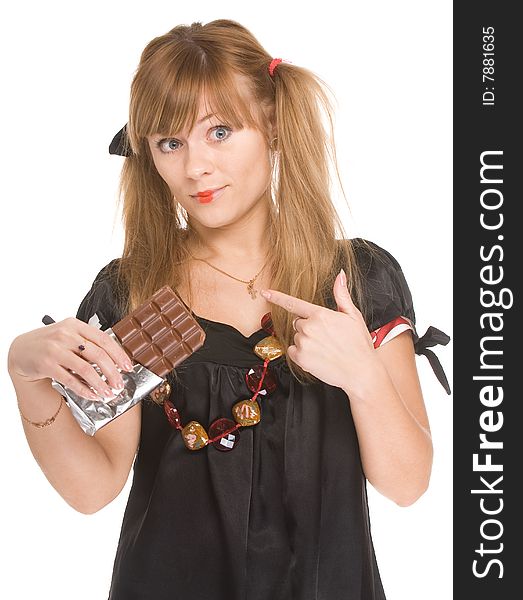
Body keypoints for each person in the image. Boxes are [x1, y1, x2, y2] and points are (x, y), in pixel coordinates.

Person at [7, 19, 450, 600]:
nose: (195, 167)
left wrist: (363, 376)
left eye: (220, 132)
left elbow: (408, 483)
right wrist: (25, 372)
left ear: (271, 125)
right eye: (171, 142)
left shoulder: (356, 281)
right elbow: (93, 489)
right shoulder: (132, 292)